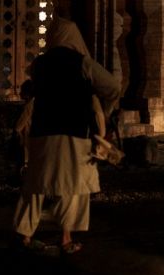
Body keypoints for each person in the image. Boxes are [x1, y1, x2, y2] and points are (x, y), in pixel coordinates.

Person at [12, 18, 119, 254]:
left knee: (36, 184)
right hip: (75, 133)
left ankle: (24, 234)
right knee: (74, 186)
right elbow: (112, 86)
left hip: (43, 132)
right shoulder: (83, 64)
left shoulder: (39, 65)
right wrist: (104, 108)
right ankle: (65, 238)